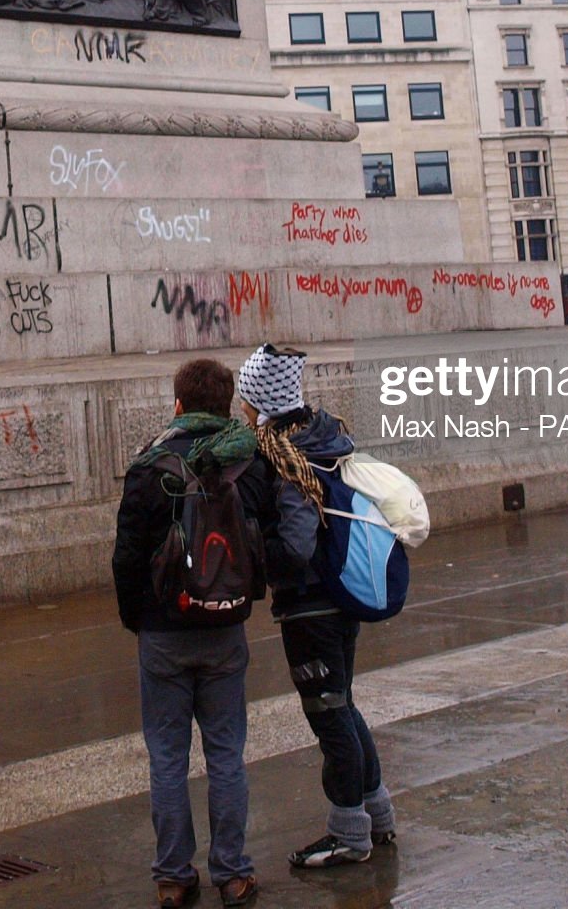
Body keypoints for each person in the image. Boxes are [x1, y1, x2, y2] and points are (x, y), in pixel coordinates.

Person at [113, 357, 272, 908]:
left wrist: (138, 620)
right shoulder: (248, 465)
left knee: (167, 757)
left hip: (163, 631)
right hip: (225, 627)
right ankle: (232, 873)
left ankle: (173, 878)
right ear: (227, 408)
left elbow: (126, 558)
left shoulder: (148, 467)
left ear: (178, 405)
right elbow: (265, 543)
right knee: (226, 754)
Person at [237, 344, 397, 870]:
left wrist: (256, 551)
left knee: (329, 718)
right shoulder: (322, 436)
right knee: (343, 706)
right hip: (339, 596)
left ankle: (349, 834)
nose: (241, 409)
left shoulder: (288, 458)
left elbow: (296, 543)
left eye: (245, 400)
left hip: (311, 607)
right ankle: (377, 814)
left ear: (261, 404)